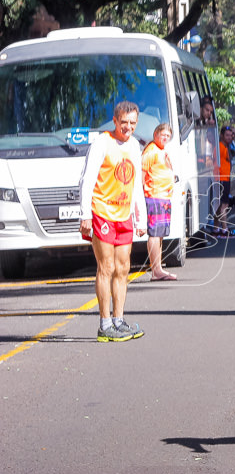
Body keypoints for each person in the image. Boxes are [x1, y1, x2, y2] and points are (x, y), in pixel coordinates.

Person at [78, 101, 147, 342]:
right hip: (102, 211)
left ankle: (119, 320)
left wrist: (142, 218)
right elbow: (87, 179)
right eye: (124, 122)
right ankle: (104, 324)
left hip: (124, 214)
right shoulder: (102, 143)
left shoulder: (135, 146)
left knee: (123, 268)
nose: (128, 127)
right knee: (106, 267)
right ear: (115, 120)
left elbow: (136, 184)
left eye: (132, 123)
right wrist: (85, 213)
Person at [142, 123, 177, 281]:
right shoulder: (151, 151)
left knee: (160, 234)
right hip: (154, 196)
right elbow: (142, 175)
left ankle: (159, 267)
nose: (165, 138)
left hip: (163, 197)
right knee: (155, 234)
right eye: (163, 134)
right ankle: (156, 269)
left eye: (168, 136)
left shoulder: (161, 151)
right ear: (156, 134)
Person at [213, 125, 235, 237]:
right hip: (222, 178)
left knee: (219, 205)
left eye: (230, 135)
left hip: (224, 177)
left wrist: (233, 134)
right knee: (224, 205)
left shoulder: (224, 146)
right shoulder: (220, 147)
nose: (229, 137)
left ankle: (216, 228)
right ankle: (224, 229)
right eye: (226, 135)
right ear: (222, 135)